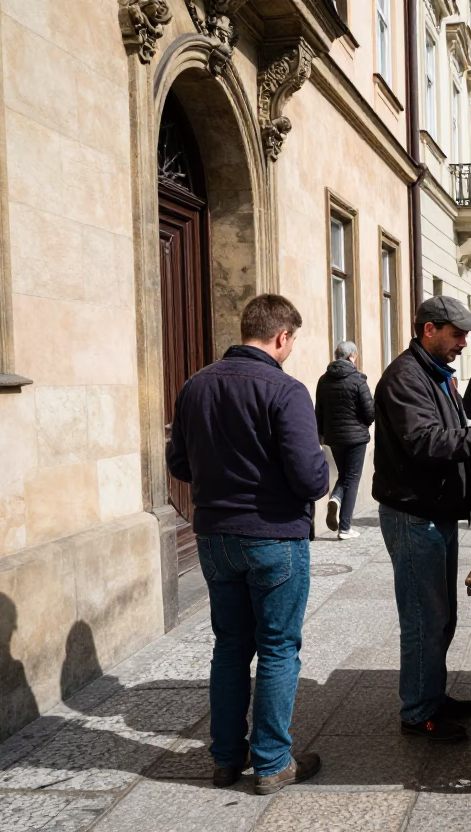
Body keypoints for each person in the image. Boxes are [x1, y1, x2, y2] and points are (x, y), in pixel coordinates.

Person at [166, 294, 328, 794]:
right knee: (278, 648)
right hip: (273, 535)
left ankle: (225, 759)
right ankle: (273, 762)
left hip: (214, 534)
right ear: (281, 337)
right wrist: (322, 461)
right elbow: (310, 477)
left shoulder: (195, 385)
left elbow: (179, 464)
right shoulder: (286, 390)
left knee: (231, 647)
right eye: (292, 341)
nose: (291, 349)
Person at [373, 296, 471, 742]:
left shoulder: (436, 375)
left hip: (434, 510)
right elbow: (426, 441)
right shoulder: (406, 376)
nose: (463, 342)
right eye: (457, 333)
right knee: (424, 616)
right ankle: (419, 711)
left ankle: (432, 695)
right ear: (428, 330)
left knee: (441, 615)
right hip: (413, 514)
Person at [315, 341, 376, 541]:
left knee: (344, 475)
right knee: (352, 479)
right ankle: (345, 527)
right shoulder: (358, 380)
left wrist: (323, 434)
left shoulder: (323, 380)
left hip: (333, 438)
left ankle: (335, 498)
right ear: (352, 357)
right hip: (356, 438)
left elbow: (319, 412)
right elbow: (369, 413)